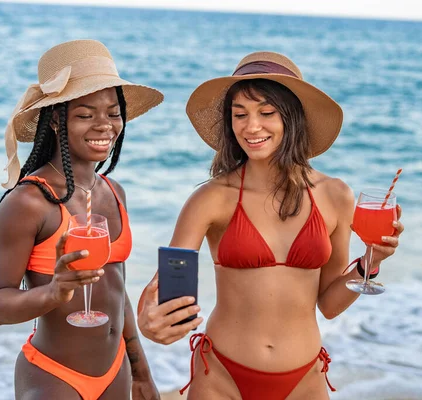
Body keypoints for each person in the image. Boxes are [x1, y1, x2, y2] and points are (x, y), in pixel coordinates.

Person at [137, 51, 404, 399]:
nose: (251, 127)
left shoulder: (335, 195)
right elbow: (167, 286)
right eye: (239, 115)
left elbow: (330, 303)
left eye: (266, 113)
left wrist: (372, 262)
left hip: (305, 380)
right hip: (221, 377)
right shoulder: (211, 198)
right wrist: (149, 320)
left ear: (292, 119)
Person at [0, 40, 164, 400]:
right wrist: (54, 292)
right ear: (55, 120)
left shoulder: (114, 192)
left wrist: (141, 371)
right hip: (54, 377)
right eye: (85, 114)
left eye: (113, 113)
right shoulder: (30, 202)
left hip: (118, 372)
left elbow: (115, 288)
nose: (105, 126)